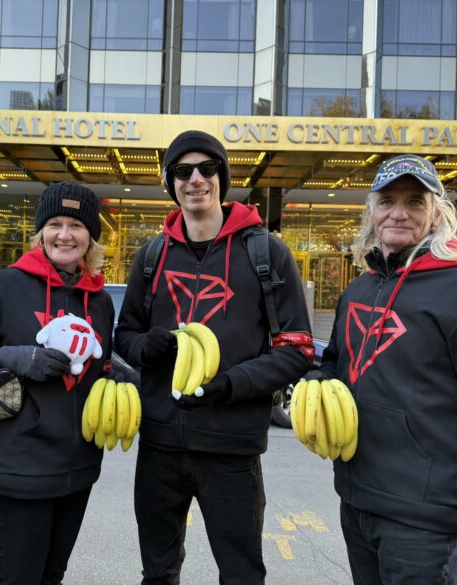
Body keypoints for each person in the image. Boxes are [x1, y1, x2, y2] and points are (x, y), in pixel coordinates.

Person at [311, 154, 457, 585]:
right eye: (387, 200)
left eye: (416, 201)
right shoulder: (360, 288)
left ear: (437, 214)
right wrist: (321, 380)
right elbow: (336, 361)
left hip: (429, 531)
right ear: (371, 212)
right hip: (358, 508)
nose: (399, 212)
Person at [114, 130, 314, 584]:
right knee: (157, 571)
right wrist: (147, 348)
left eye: (207, 169)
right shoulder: (151, 256)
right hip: (160, 446)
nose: (196, 179)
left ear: (223, 177)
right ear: (171, 182)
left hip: (232, 449)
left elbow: (297, 348)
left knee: (241, 574)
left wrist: (231, 382)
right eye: (183, 171)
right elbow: (125, 334)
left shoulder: (266, 252)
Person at [0, 182, 116, 585]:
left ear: (90, 236)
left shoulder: (101, 301)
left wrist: (118, 375)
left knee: (52, 577)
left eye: (76, 225)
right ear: (40, 232)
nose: (64, 234)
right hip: (20, 468)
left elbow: (98, 367)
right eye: (54, 223)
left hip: (80, 467)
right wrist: (16, 357)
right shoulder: (2, 286)